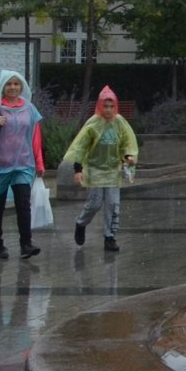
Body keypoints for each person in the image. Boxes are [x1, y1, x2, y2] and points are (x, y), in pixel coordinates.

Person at [0, 70, 46, 259]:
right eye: (9, 84)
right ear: (2, 87)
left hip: (23, 164)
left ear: (22, 87)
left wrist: (39, 163)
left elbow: (35, 138)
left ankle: (26, 244)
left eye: (16, 84)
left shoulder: (29, 109)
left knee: (23, 204)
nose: (13, 87)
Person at [65, 86, 139, 252]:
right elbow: (80, 147)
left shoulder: (120, 122)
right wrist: (78, 170)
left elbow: (127, 142)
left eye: (112, 106)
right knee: (94, 203)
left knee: (113, 204)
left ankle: (109, 237)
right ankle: (81, 223)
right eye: (105, 106)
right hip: (95, 169)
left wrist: (129, 157)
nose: (108, 110)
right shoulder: (92, 124)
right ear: (99, 106)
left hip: (113, 169)